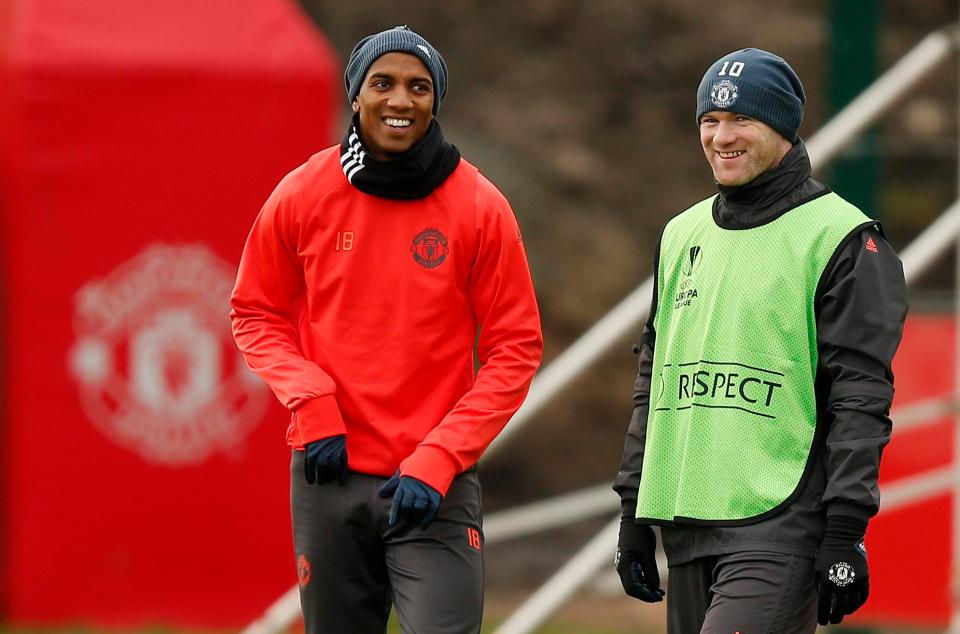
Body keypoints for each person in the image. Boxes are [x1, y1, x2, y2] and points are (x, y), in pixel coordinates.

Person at [230, 26, 542, 633]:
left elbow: (515, 350)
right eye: (384, 83)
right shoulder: (303, 192)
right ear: (355, 96)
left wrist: (442, 456)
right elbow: (254, 311)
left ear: (435, 102)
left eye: (418, 87)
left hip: (434, 486)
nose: (401, 100)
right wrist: (310, 398)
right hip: (328, 474)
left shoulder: (479, 206)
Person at [613, 48, 907, 632]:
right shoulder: (681, 234)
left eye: (743, 119)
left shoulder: (842, 238)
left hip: (781, 524)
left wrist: (846, 529)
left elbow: (860, 396)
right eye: (709, 121)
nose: (722, 136)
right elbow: (656, 375)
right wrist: (634, 509)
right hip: (687, 518)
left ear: (783, 127)